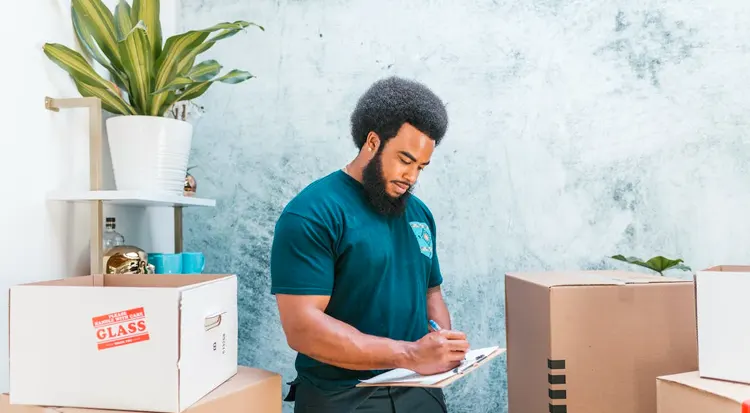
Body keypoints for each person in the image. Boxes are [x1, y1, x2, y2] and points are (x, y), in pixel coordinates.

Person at [270, 76, 469, 413]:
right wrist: (410, 354)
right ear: (372, 142)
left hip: (420, 391)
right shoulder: (313, 213)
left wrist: (442, 344)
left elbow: (431, 293)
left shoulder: (420, 214)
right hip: (343, 397)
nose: (412, 177)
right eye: (405, 160)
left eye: (421, 166)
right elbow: (302, 328)